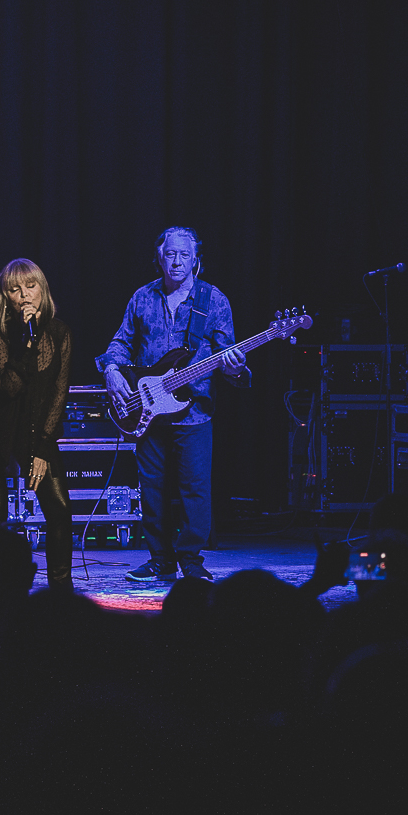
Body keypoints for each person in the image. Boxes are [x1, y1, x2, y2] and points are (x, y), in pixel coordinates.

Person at [96, 226, 246, 583]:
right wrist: (113, 370)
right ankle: (160, 558)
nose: (176, 262)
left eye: (184, 255)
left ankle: (191, 560)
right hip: (148, 411)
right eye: (170, 255)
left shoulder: (214, 301)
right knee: (152, 488)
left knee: (195, 489)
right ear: (158, 258)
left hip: (194, 413)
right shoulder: (142, 298)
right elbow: (120, 341)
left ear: (196, 261)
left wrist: (236, 369)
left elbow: (229, 361)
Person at [0, 259, 74, 590]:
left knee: (60, 509)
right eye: (15, 289)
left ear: (42, 289)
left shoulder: (60, 332)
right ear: (5, 296)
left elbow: (57, 395)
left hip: (34, 427)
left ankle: (62, 589)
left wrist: (42, 448)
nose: (25, 296)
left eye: (31, 286)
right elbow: (8, 387)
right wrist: (26, 343)